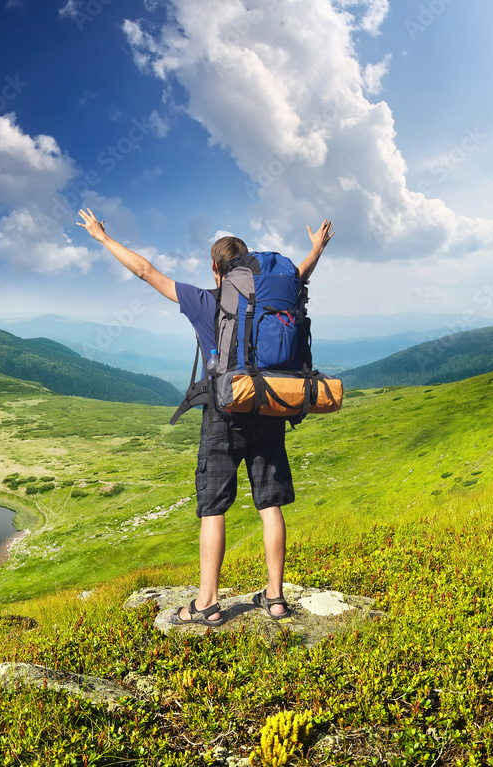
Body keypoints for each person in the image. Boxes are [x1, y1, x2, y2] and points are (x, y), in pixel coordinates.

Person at [77, 209, 334, 625]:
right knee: (269, 506)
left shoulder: (204, 300)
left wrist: (103, 239)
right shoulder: (275, 294)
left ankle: (208, 603)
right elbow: (300, 273)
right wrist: (317, 247)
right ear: (247, 266)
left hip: (223, 414)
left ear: (215, 268)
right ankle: (276, 598)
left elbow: (146, 271)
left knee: (213, 508)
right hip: (266, 403)